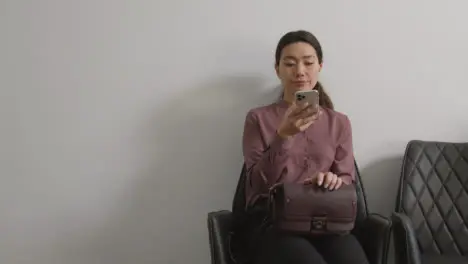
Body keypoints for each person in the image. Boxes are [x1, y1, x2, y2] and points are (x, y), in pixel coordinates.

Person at [240, 30, 370, 264]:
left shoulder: (339, 122)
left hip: (326, 221)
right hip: (274, 223)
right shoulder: (258, 118)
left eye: (308, 62)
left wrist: (334, 180)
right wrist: (283, 136)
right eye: (289, 63)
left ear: (319, 66)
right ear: (277, 69)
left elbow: (347, 179)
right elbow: (257, 184)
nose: (300, 71)